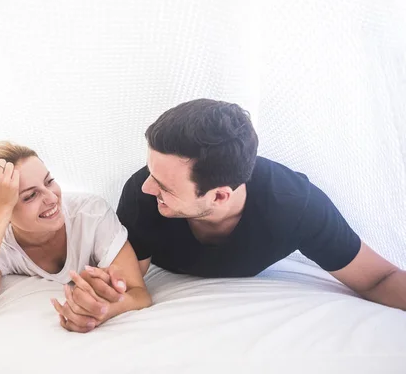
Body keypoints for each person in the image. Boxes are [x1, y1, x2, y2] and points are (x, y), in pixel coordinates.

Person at [74, 98, 406, 313]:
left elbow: (379, 278)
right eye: (151, 171)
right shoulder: (142, 194)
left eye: (164, 186)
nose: (148, 186)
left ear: (220, 195)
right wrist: (97, 301)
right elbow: (127, 284)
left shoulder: (295, 206)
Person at [0, 141, 152, 332]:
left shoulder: (91, 214)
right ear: (4, 212)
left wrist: (103, 310)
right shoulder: (2, 241)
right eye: (30, 196)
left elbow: (139, 294)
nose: (52, 198)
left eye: (49, 181)